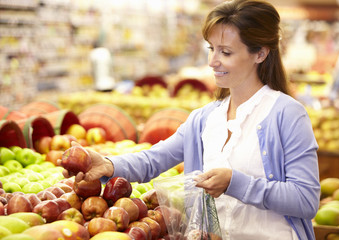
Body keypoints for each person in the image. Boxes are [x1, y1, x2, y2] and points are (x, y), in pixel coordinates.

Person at [60, 0, 320, 239]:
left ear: (260, 54)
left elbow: (306, 200)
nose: (212, 61)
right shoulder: (205, 119)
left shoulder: (288, 114)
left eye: (225, 52)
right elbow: (154, 159)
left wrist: (235, 182)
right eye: (211, 49)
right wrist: (107, 165)